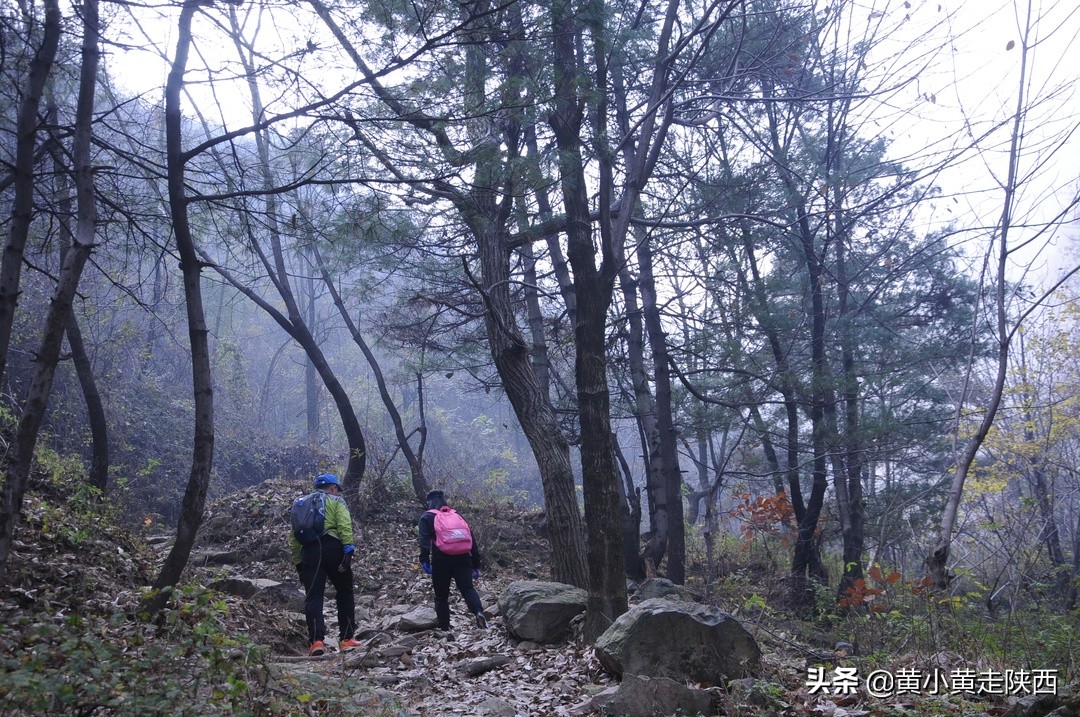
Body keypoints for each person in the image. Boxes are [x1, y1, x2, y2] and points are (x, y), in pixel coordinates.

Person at [289, 473, 362, 656]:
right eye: (337, 489)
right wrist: (348, 552)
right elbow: (344, 525)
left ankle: (316, 642)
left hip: (309, 552)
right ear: (333, 488)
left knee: (313, 596)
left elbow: (294, 536)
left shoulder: (302, 504)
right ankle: (346, 639)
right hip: (333, 548)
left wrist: (299, 563)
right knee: (344, 592)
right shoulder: (336, 501)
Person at [418, 490, 487, 638]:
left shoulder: (427, 517)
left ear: (429, 502)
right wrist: (476, 564)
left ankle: (445, 629)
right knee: (467, 588)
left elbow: (424, 541)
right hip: (463, 558)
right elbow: (472, 541)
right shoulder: (457, 515)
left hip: (441, 560)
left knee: (441, 596)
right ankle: (479, 612)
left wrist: (424, 560)